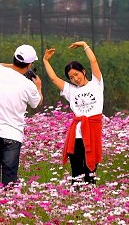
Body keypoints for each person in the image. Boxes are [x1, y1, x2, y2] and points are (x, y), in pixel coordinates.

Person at [42, 40, 103, 185]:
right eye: (71, 77)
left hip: (93, 131)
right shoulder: (71, 90)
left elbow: (93, 61)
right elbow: (53, 78)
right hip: (77, 134)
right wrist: (45, 60)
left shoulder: (96, 84)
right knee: (76, 170)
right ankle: (76, 196)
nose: (76, 79)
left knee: (91, 168)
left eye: (77, 74)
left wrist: (84, 45)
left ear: (83, 71)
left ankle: (90, 197)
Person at [0, 44, 43, 186]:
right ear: (30, 64)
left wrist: (18, 66)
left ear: (14, 58)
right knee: (9, 181)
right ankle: (6, 206)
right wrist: (38, 86)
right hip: (12, 136)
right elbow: (37, 103)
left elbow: (0, 65)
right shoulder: (29, 86)